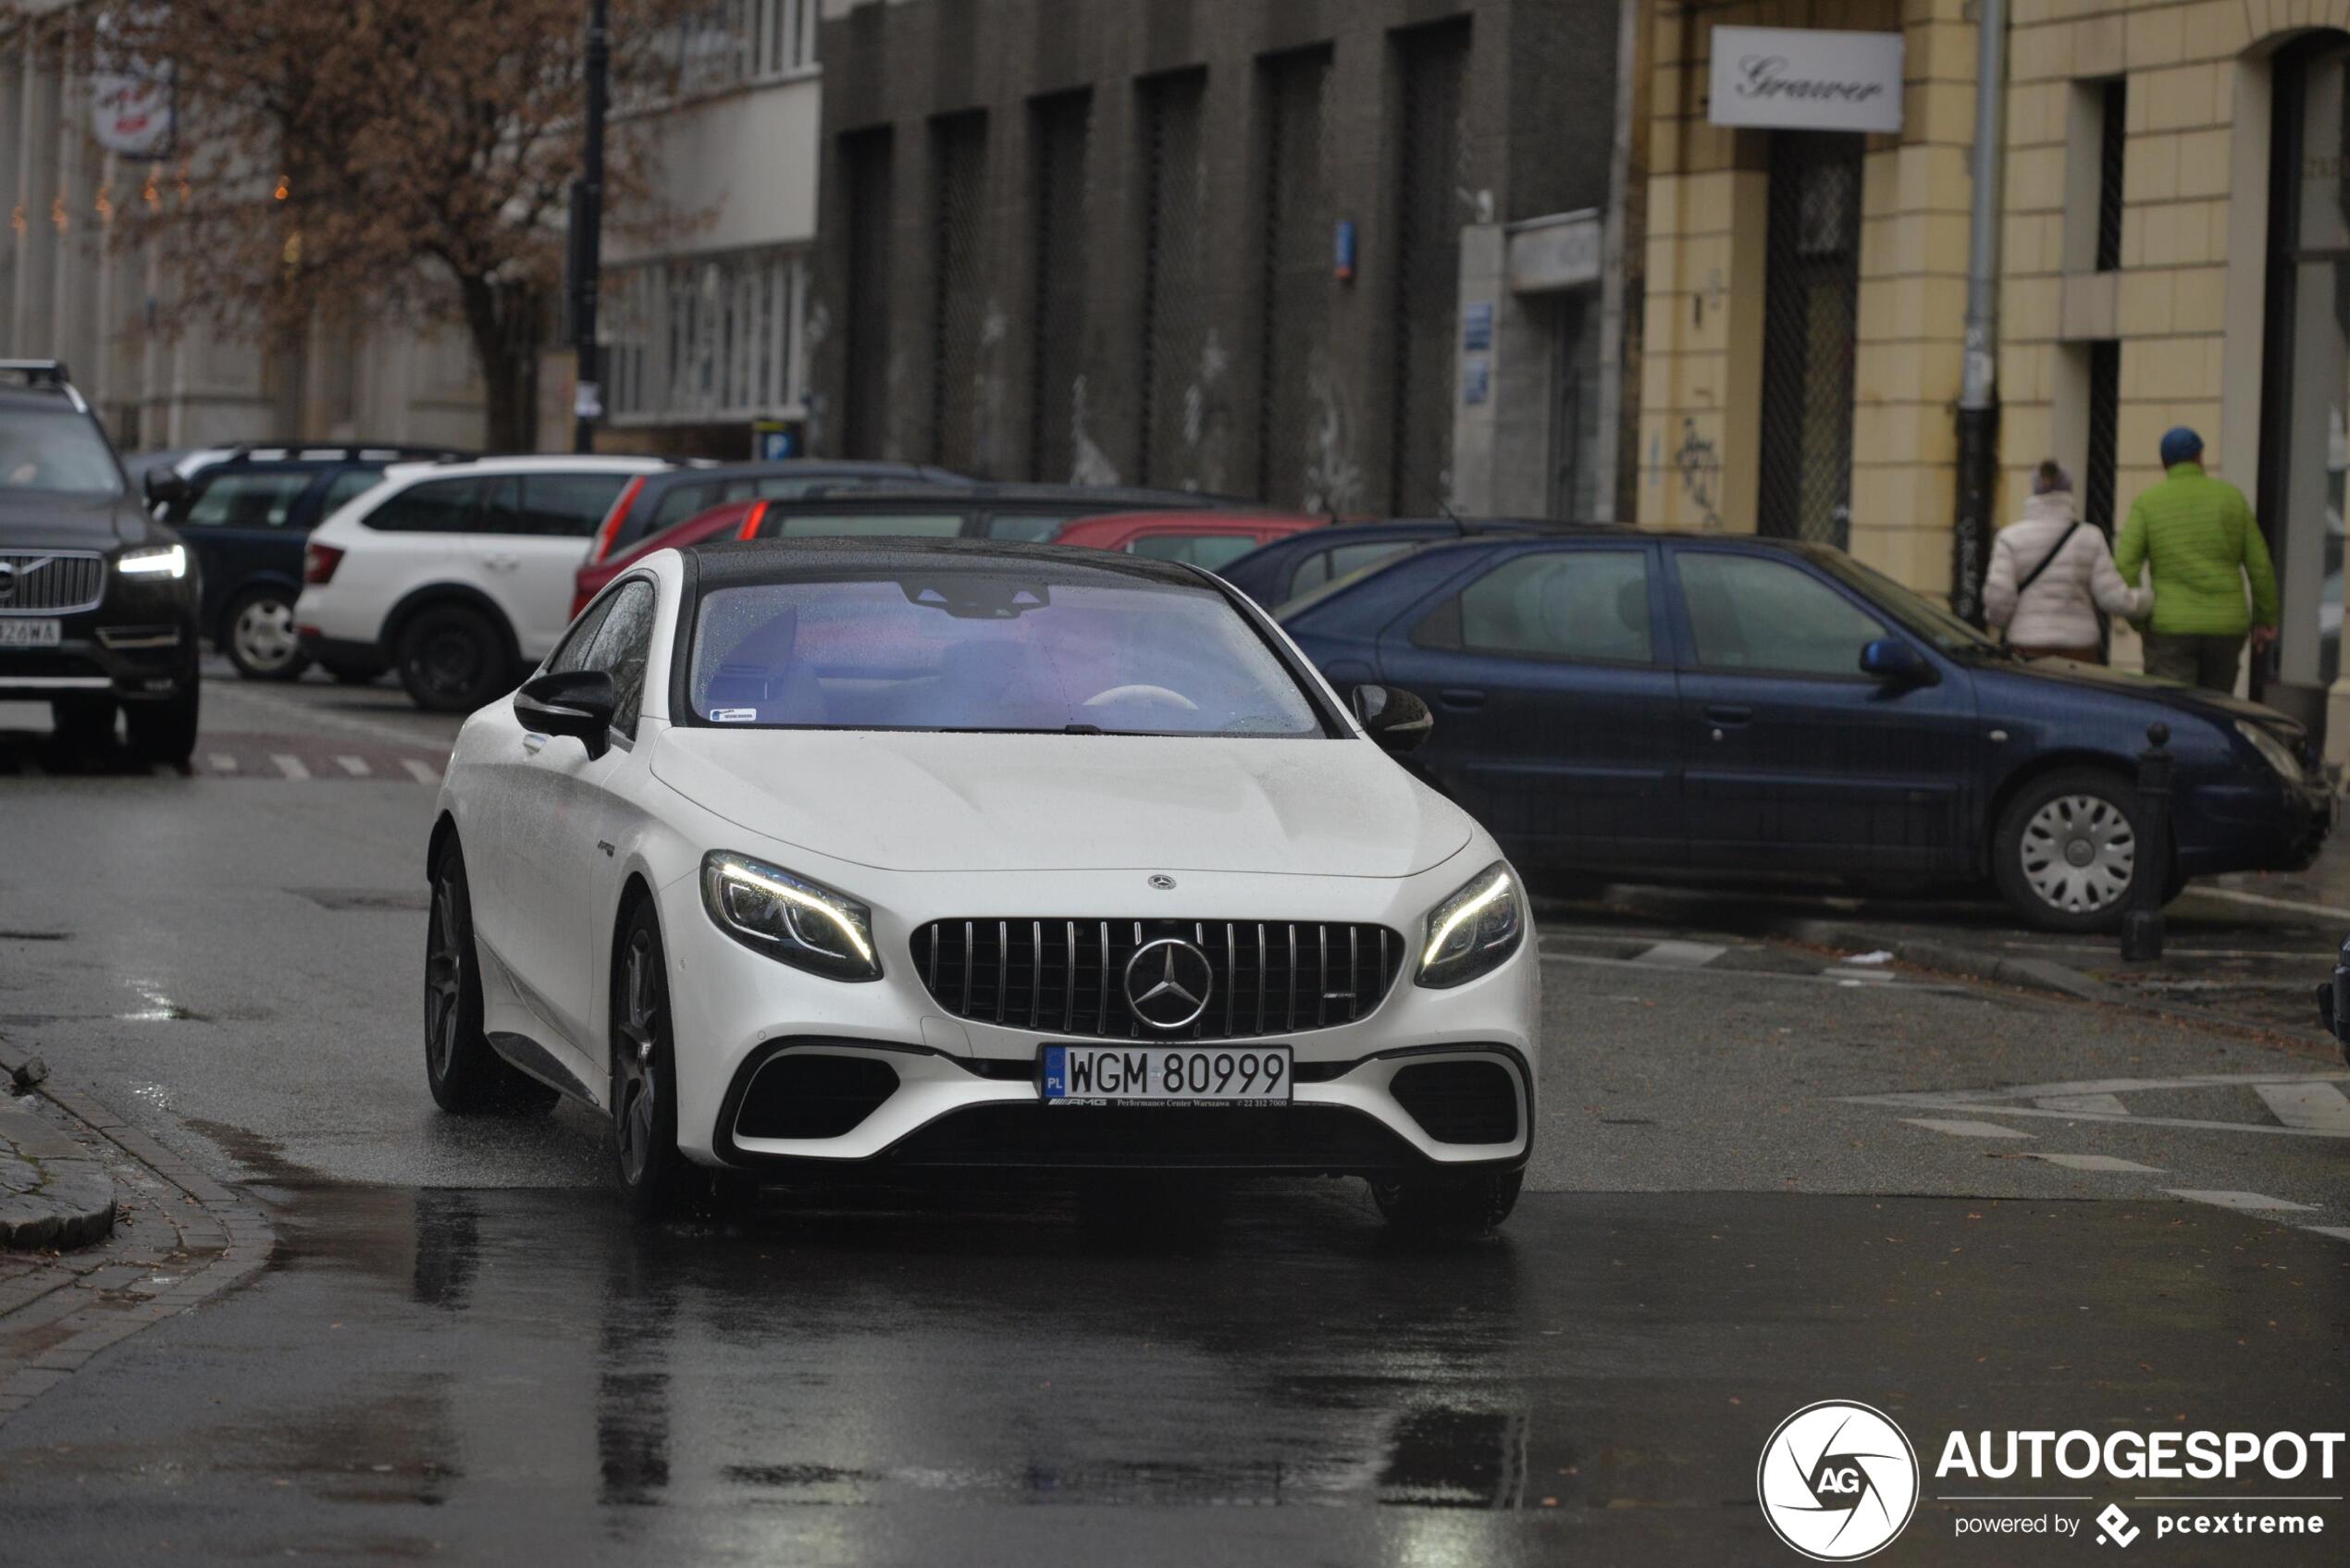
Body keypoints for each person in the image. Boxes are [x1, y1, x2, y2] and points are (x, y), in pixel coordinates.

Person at [2113, 426, 2279, 692]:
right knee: (2217, 711)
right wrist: (2265, 617)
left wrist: (2140, 618)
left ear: (2164, 463)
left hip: (2170, 627)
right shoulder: (2232, 499)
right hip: (2226, 627)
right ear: (2200, 458)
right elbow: (2259, 565)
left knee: (2175, 713)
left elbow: (2124, 565)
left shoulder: (2148, 503)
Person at [1984, 460, 2148, 662]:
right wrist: (2145, 602)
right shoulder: (2090, 536)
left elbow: (1999, 598)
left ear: (2035, 490)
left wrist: (2005, 623)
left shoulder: (2009, 538)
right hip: (2079, 650)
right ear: (2069, 492)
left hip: (2027, 649)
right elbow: (2111, 597)